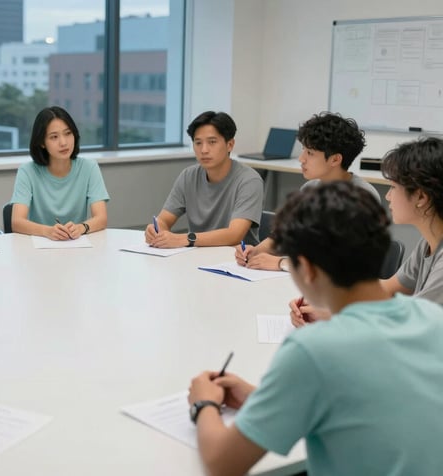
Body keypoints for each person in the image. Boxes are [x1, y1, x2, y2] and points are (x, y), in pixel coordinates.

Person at [188, 181, 443, 476]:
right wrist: (258, 397)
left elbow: (222, 464)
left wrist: (204, 403)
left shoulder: (312, 350)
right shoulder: (430, 318)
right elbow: (364, 403)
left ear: (306, 269)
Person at [290, 136, 443, 327]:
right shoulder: (428, 242)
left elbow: (415, 324)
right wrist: (334, 307)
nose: (387, 196)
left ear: (421, 196)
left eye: (393, 187)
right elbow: (386, 289)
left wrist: (339, 314)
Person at [236, 112, 380, 271]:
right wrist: (255, 251)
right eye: (303, 150)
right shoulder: (309, 189)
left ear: (335, 159)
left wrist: (281, 263)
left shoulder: (363, 197)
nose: (301, 159)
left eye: (310, 153)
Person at [145, 111, 263, 248]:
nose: (204, 150)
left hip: (237, 261)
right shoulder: (188, 176)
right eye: (198, 143)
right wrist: (156, 230)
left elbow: (234, 235)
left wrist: (186, 239)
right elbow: (164, 219)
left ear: (230, 145)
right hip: (197, 256)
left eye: (212, 142)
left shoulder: (249, 181)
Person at [10, 106, 109, 240]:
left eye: (68, 133)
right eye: (54, 137)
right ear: (42, 143)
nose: (63, 142)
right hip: (39, 249)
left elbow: (101, 218)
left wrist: (81, 227)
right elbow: (17, 222)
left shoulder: (89, 167)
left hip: (76, 247)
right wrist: (47, 231)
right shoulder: (27, 171)